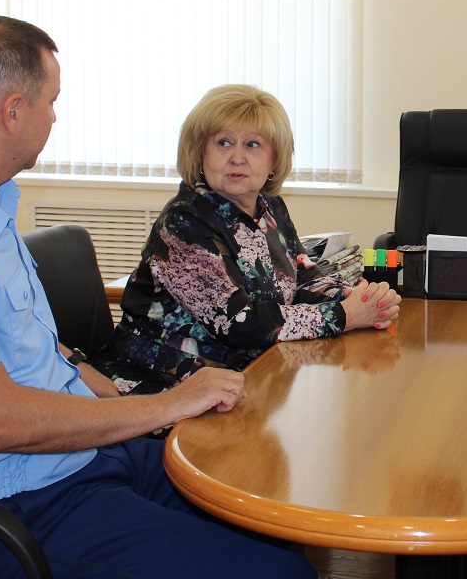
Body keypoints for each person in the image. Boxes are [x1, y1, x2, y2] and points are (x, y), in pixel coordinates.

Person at [0, 16, 318, 579]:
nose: (54, 118)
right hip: (16, 505)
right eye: (52, 102)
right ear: (13, 111)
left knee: (274, 508)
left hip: (83, 460)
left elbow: (38, 353)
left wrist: (125, 396)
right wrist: (167, 403)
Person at [92, 84, 399, 392]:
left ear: (274, 160)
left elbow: (302, 278)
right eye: (223, 143)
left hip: (245, 376)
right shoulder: (184, 222)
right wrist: (344, 315)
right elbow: (240, 323)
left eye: (253, 145)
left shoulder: (270, 209)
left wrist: (359, 299)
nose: (237, 157)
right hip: (164, 384)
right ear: (200, 154)